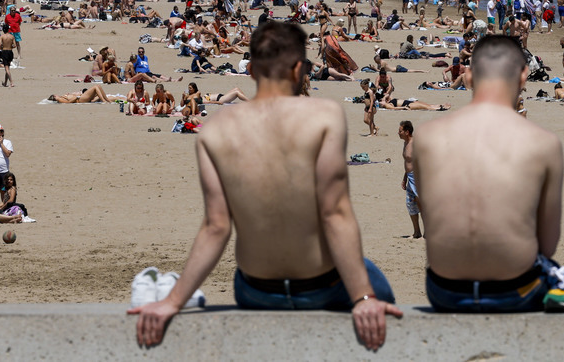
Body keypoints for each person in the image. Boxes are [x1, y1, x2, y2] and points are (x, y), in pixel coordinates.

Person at [128, 21, 402, 350]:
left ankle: (173, 287)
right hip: (321, 287)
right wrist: (363, 297)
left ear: (252, 69)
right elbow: (335, 213)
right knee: (374, 280)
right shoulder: (324, 116)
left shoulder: (216, 129)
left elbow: (216, 227)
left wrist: (172, 302)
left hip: (256, 290)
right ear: (299, 68)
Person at [413, 35, 563, 312]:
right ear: (524, 75)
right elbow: (548, 243)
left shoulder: (426, 137)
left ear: (468, 77)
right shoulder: (544, 143)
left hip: (445, 291)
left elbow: (433, 218)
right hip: (514, 292)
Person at [398, 121, 422, 239]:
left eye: (400, 131)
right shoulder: (405, 143)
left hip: (418, 177)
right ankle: (417, 232)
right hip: (409, 176)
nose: (398, 133)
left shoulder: (415, 145)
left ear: (407, 132)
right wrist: (404, 178)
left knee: (421, 204)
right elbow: (408, 163)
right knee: (410, 204)